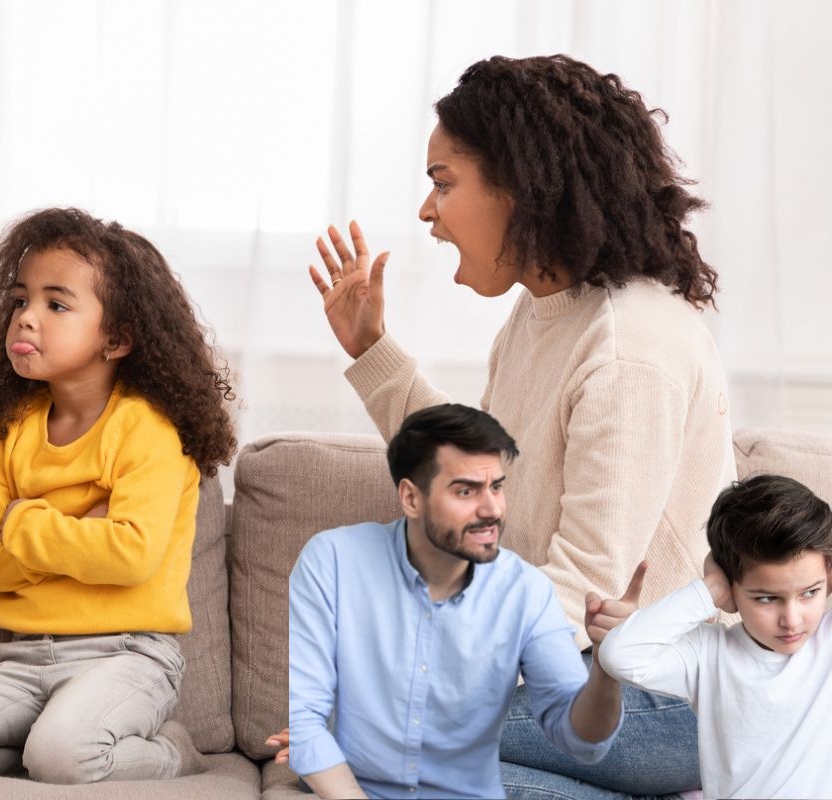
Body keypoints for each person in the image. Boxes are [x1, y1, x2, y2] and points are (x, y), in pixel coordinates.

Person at [306, 54, 735, 796]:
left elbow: (584, 591)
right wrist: (373, 351)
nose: (426, 211)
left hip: (670, 703)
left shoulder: (632, 344)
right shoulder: (545, 313)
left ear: (522, 187)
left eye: (444, 182)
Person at [0, 207, 236, 783]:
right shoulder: (11, 431)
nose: (27, 318)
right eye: (20, 300)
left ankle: (172, 751)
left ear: (118, 338)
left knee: (63, 755)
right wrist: (80, 528)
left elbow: (130, 556)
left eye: (56, 304)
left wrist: (24, 521)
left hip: (129, 655)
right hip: (24, 657)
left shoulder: (145, 428)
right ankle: (48, 749)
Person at [289, 403, 638, 800]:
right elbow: (304, 721)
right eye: (466, 491)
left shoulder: (525, 590)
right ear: (411, 498)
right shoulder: (332, 561)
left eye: (497, 487)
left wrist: (607, 669)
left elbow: (581, 741)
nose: (491, 509)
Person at [599, 474, 832, 799]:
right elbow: (619, 655)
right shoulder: (709, 653)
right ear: (731, 589)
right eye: (767, 598)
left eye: (810, 592)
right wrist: (709, 590)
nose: (791, 619)